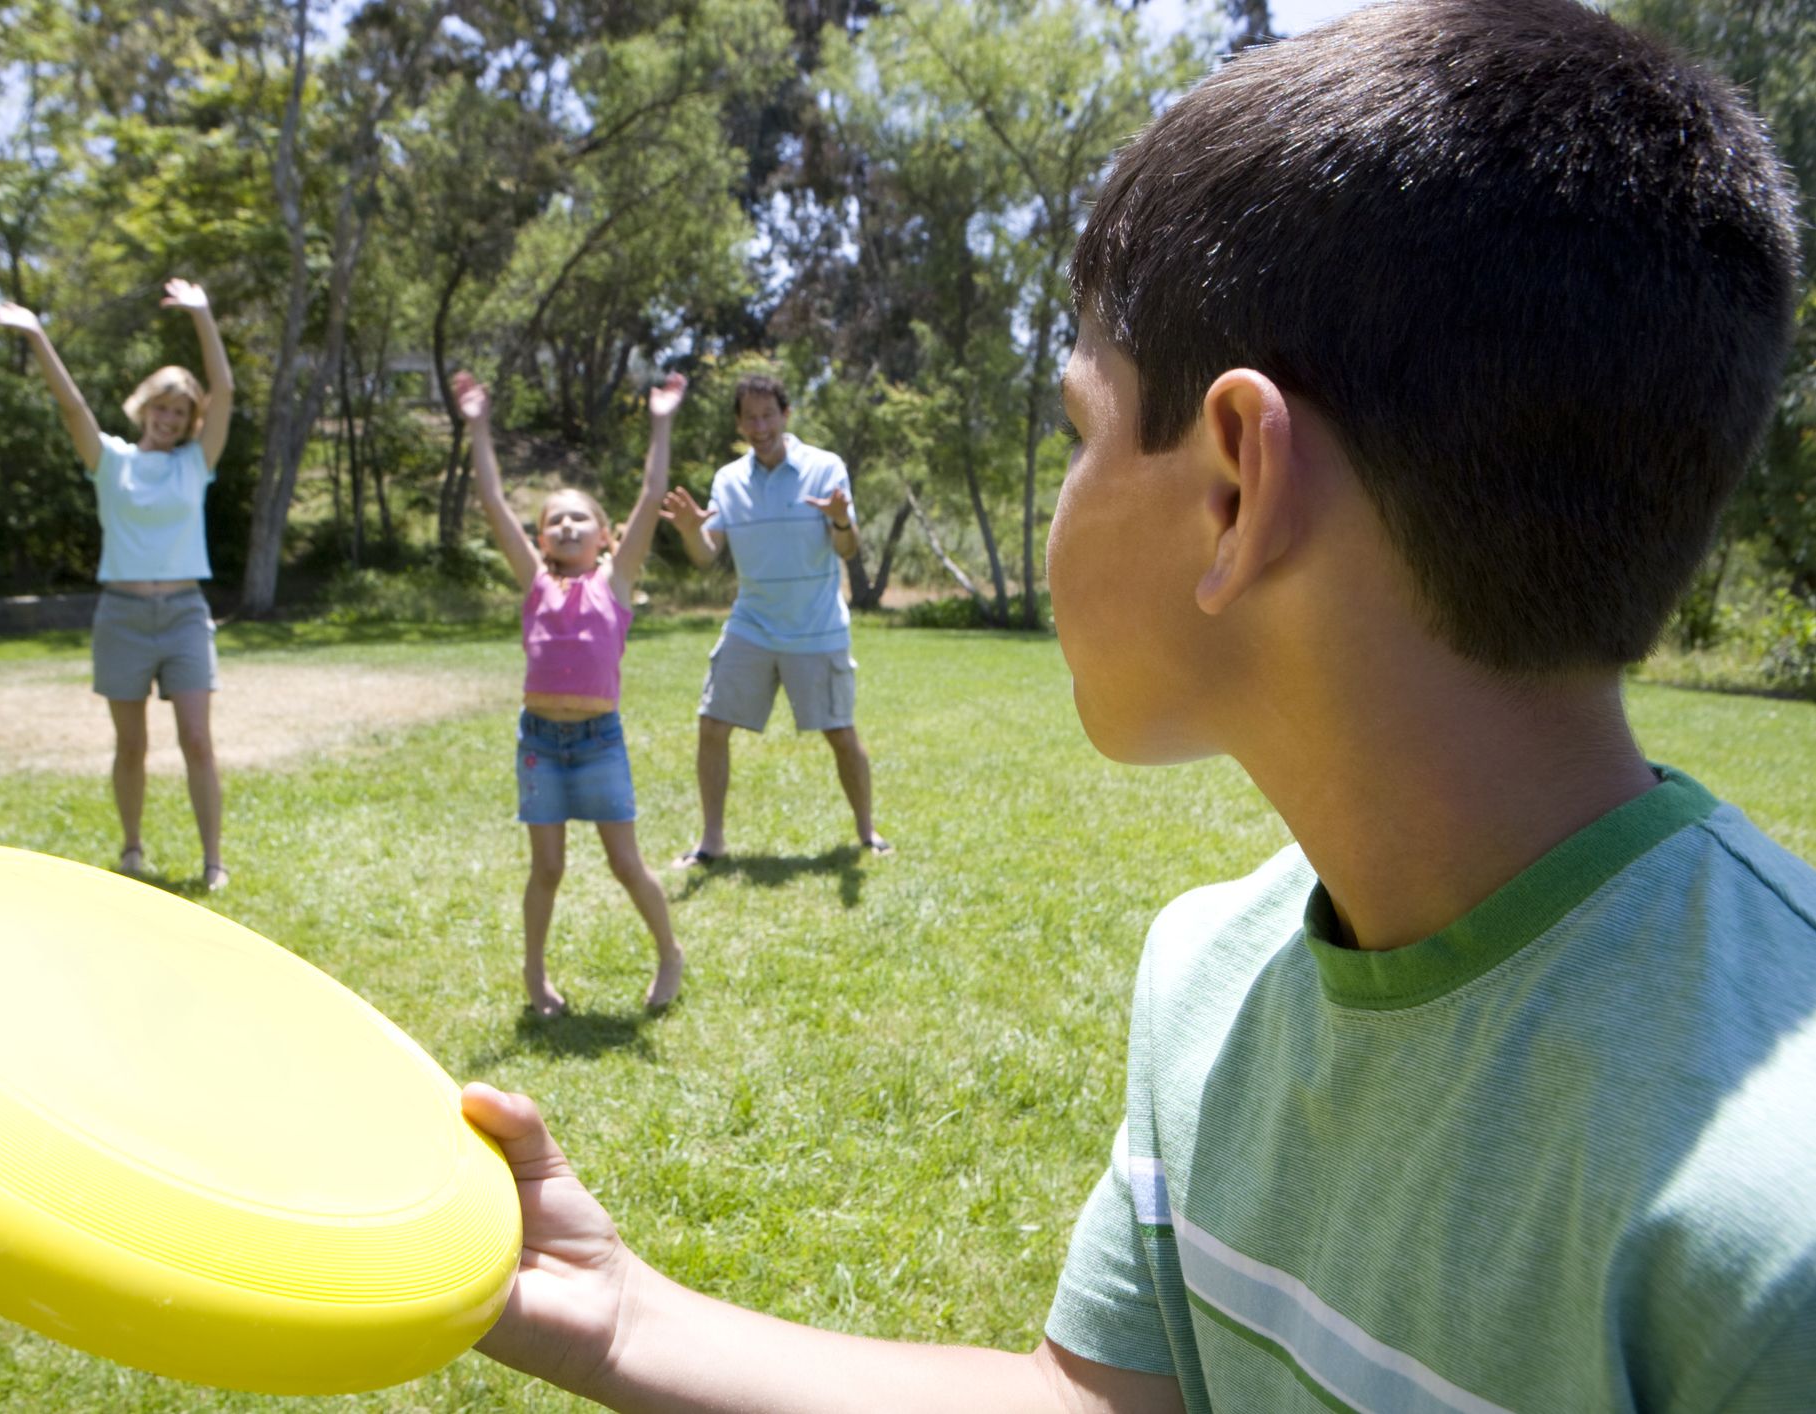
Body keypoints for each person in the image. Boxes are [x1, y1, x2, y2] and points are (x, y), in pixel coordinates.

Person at [457, 1, 1815, 1407]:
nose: (1065, 483)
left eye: (1077, 429)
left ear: (1234, 486)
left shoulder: (1779, 1226)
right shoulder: (1208, 982)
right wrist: (624, 1320)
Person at [0, 280, 235, 892]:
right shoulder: (110, 462)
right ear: (144, 408)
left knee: (198, 739)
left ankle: (213, 860)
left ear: (189, 420)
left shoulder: (195, 464)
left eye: (180, 412)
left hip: (183, 615)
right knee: (131, 747)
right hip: (121, 614)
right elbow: (72, 408)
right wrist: (36, 333)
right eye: (161, 408)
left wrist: (203, 315)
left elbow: (224, 390)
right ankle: (132, 849)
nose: (169, 420)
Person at [455, 368, 688, 1018]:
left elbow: (648, 496)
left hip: (597, 742)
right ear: (539, 537)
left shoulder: (613, 582)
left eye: (579, 518)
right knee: (547, 869)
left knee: (625, 862)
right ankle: (536, 981)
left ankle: (669, 952)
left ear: (605, 536)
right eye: (554, 519)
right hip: (539, 745)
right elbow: (493, 502)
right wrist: (477, 424)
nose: (565, 526)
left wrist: (661, 421)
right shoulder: (535, 582)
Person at [660, 374, 891, 866]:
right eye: (750, 418)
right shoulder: (728, 480)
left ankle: (867, 834)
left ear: (786, 416)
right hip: (752, 625)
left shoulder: (825, 468)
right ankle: (711, 843)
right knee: (712, 724)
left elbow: (846, 548)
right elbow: (706, 555)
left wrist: (841, 519)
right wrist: (687, 530)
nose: (760, 426)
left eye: (769, 415)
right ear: (740, 423)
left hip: (817, 626)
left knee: (841, 734)